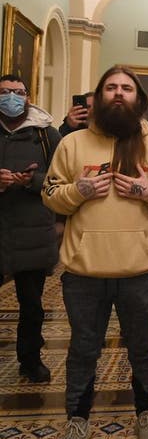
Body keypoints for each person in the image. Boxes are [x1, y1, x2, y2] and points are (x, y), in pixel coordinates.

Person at [42, 66, 148, 439]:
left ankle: (147, 415)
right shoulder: (73, 144)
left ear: (138, 98)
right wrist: (79, 190)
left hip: (141, 273)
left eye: (126, 88)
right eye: (111, 88)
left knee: (144, 348)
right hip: (84, 274)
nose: (118, 94)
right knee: (83, 349)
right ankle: (76, 420)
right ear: (98, 96)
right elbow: (51, 195)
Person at [0, 74, 62, 383]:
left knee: (32, 306)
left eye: (18, 92)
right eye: (5, 92)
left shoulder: (46, 135)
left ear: (28, 96)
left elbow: (61, 179)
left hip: (33, 231)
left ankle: (30, 359)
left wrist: (31, 182)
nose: (12, 97)